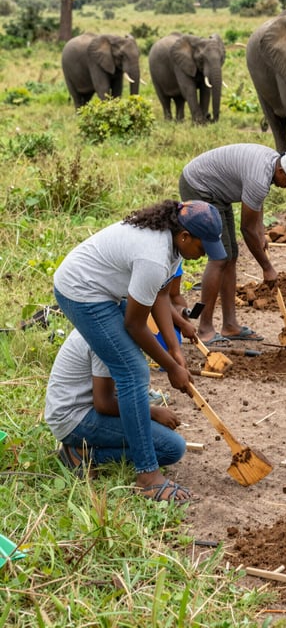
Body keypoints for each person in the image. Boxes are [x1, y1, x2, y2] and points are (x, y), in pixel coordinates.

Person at [52, 199, 227, 503]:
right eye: (202, 247)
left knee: (168, 439)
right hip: (81, 291)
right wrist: (172, 369)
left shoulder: (171, 246)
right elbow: (135, 324)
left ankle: (84, 453)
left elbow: (160, 294)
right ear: (185, 236)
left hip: (102, 290)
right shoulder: (154, 256)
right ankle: (147, 477)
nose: (202, 255)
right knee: (133, 370)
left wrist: (174, 349)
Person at [179, 143, 286, 344]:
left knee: (230, 256)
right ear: (281, 171)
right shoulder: (259, 177)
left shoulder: (271, 164)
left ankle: (230, 325)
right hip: (200, 187)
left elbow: (257, 206)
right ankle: (204, 329)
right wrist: (267, 268)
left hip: (219, 194)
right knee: (219, 257)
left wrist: (261, 232)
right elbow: (246, 229)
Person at [45, 329, 186, 481]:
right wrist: (151, 412)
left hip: (81, 409)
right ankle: (82, 454)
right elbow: (103, 404)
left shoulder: (105, 322)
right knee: (172, 447)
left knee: (159, 434)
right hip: (74, 419)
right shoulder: (106, 336)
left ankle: (87, 447)